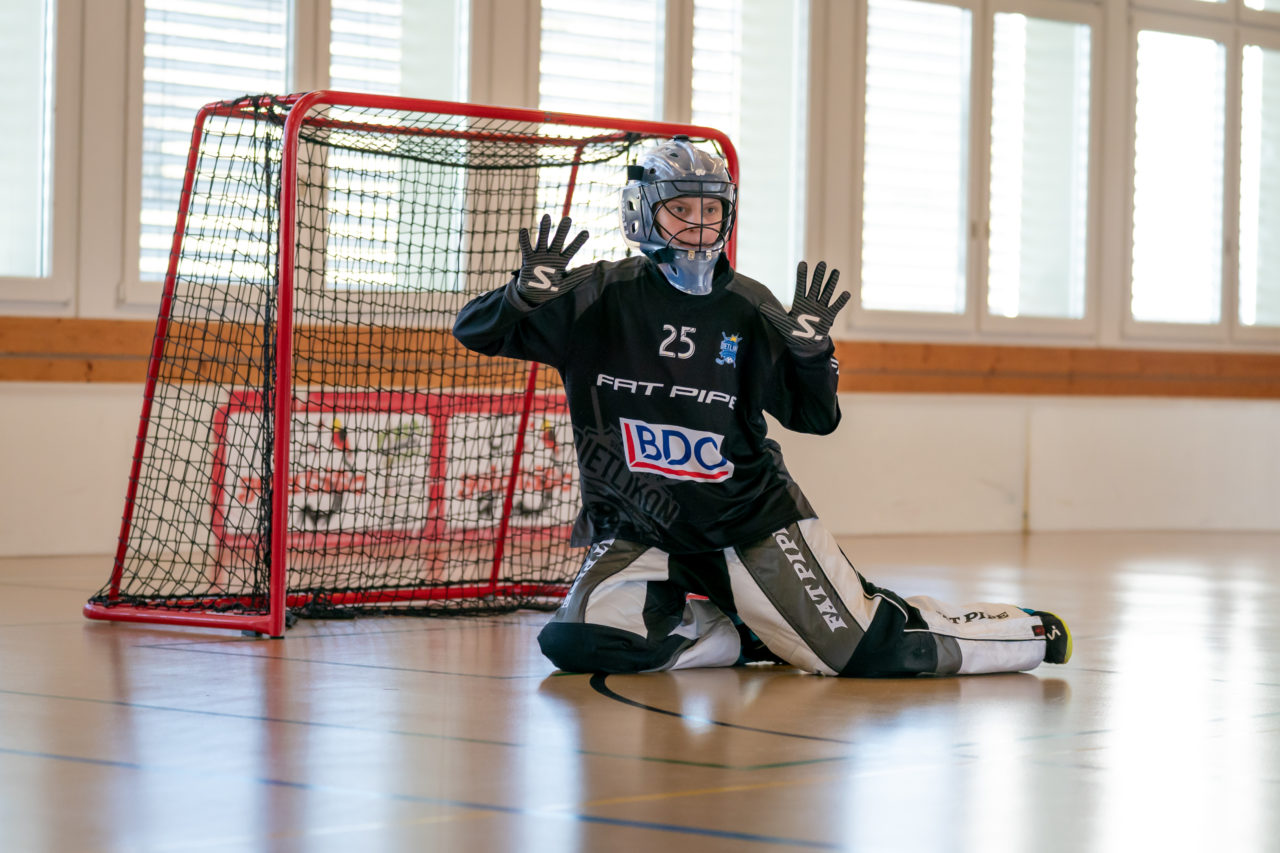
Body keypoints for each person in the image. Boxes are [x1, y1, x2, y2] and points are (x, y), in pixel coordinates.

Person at [452, 136, 1071, 676]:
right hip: (639, 527)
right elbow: (473, 331)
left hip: (748, 524)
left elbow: (815, 418)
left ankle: (1024, 631)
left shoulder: (748, 305)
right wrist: (519, 297)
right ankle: (742, 634)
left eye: (711, 210)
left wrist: (813, 355)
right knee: (578, 641)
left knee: (860, 652)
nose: (699, 224)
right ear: (642, 213)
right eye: (680, 209)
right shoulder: (596, 295)